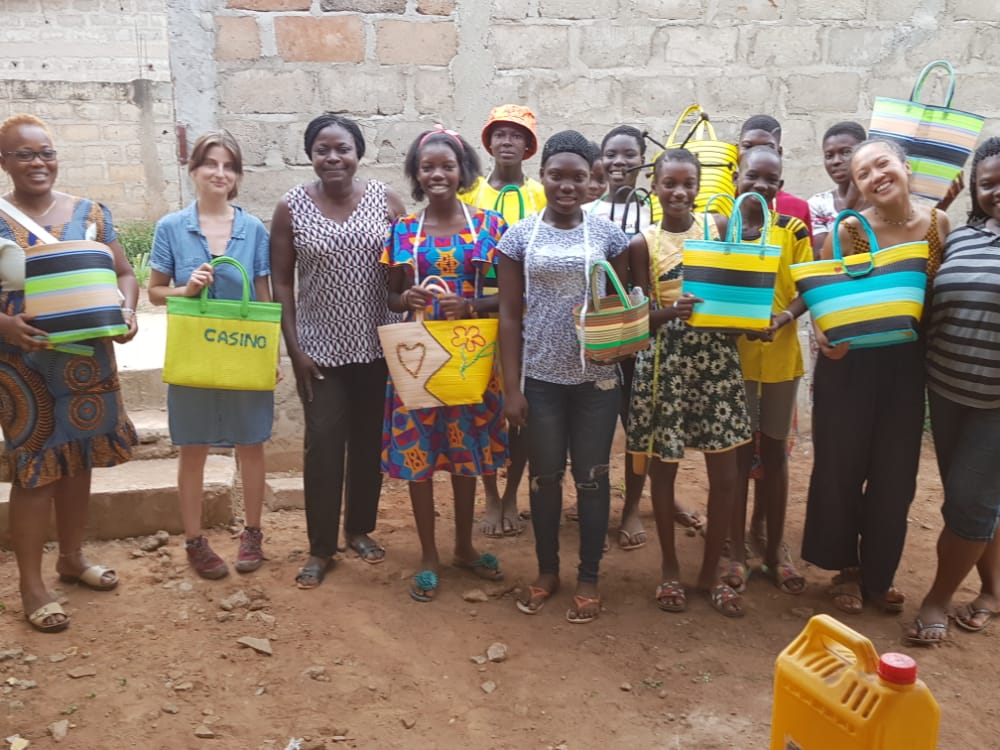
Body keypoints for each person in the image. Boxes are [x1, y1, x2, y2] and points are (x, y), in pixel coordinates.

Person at [0, 114, 138, 632]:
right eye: (24, 155)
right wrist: (6, 326)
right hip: (23, 365)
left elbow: (124, 272)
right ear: (4, 162)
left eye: (46, 153)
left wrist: (126, 313)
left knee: (79, 460)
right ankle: (32, 585)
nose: (38, 163)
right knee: (35, 471)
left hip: (88, 360)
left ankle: (72, 558)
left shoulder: (91, 213)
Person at [801, 137, 950, 616]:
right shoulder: (849, 231)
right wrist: (823, 337)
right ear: (858, 186)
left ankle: (878, 575)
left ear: (905, 167)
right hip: (850, 369)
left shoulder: (937, 224)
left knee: (895, 477)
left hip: (907, 369)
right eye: (863, 173)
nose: (875, 176)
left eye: (882, 164)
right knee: (842, 471)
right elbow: (825, 303)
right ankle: (845, 569)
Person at [499, 130, 629, 624]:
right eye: (557, 175)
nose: (567, 185)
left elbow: (622, 306)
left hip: (597, 378)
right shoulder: (518, 237)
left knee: (593, 479)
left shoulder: (608, 235)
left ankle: (590, 577)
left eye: (579, 177)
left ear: (591, 179)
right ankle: (547, 572)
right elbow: (510, 314)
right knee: (545, 477)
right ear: (543, 176)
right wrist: (512, 388)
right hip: (541, 379)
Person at [270, 114, 406, 589]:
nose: (333, 157)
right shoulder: (291, 208)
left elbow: (405, 268)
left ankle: (359, 530)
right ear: (310, 155)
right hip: (320, 351)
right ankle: (320, 547)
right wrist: (295, 347)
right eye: (323, 149)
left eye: (342, 149)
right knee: (323, 447)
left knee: (369, 444)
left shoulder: (385, 201)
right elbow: (282, 282)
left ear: (358, 153)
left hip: (378, 346)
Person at [382, 126, 508, 602]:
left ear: (463, 172)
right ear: (417, 173)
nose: (438, 174)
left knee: (463, 453)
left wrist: (471, 306)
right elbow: (393, 297)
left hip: (469, 357)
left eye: (447, 166)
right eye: (428, 166)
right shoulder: (404, 231)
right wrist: (407, 295)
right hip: (417, 360)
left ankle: (463, 547)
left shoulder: (489, 227)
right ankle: (429, 555)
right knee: (420, 456)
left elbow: (507, 297)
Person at [625, 148, 751, 618]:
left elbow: (736, 291)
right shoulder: (643, 243)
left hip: (716, 359)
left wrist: (746, 319)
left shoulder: (717, 230)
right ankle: (671, 570)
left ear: (699, 188)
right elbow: (638, 320)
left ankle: (709, 575)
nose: (679, 192)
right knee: (665, 468)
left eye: (688, 184)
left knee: (725, 473)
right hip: (666, 364)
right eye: (669, 184)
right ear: (654, 188)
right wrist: (667, 312)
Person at [149, 131, 273, 580]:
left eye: (229, 166)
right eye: (211, 164)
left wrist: (269, 355)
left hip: (243, 352)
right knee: (193, 445)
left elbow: (262, 295)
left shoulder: (253, 228)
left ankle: (252, 532)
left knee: (252, 442)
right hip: (194, 353)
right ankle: (195, 540)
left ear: (237, 176)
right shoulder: (170, 228)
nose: (220, 173)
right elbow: (155, 291)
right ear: (194, 170)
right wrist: (187, 288)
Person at [908, 138, 1000, 644]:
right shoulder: (961, 238)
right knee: (979, 501)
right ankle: (992, 590)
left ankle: (937, 598)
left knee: (969, 504)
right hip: (946, 391)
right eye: (988, 183)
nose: (996, 191)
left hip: (995, 405)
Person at [727, 147, 811, 596]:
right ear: (737, 178)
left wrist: (782, 319)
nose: (761, 186)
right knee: (740, 456)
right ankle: (736, 551)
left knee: (775, 454)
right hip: (734, 361)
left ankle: (776, 549)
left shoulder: (793, 230)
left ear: (780, 185)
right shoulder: (721, 229)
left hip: (780, 359)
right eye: (753, 176)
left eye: (771, 179)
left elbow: (808, 289)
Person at [458, 104, 543, 539]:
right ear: (488, 143)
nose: (507, 141)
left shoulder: (541, 195)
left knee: (520, 408)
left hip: (529, 314)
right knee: (482, 407)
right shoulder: (470, 194)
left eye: (517, 135)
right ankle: (490, 494)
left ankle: (513, 494)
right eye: (500, 134)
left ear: (528, 147)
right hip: (479, 314)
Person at [737, 115, 813, 237]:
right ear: (737, 149)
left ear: (779, 152)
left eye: (768, 147)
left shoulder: (797, 209)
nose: (758, 153)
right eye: (748, 146)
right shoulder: (717, 201)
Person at [807, 121, 868, 257]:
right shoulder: (818, 205)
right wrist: (848, 209)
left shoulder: (880, 200)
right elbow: (823, 257)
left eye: (846, 152)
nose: (836, 161)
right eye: (829, 156)